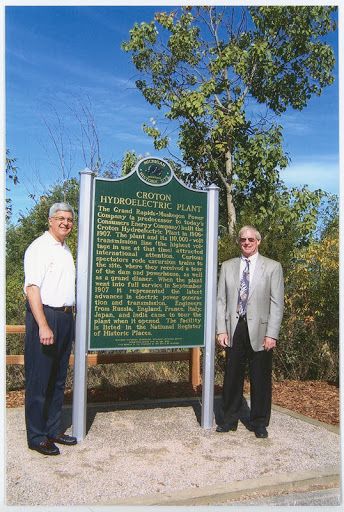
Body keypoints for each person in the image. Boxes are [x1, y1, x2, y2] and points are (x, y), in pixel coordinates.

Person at [216, 225, 284, 438]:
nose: (247, 243)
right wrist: (221, 329)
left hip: (262, 330)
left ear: (258, 242)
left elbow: (277, 304)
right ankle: (228, 420)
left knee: (260, 377)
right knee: (232, 375)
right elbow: (221, 301)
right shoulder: (227, 266)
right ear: (239, 242)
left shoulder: (272, 267)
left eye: (251, 239)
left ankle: (259, 422)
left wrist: (272, 333)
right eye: (243, 239)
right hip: (234, 327)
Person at [23, 203, 77, 455]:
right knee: (39, 379)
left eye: (69, 219)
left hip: (65, 318)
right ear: (50, 221)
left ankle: (54, 429)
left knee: (57, 379)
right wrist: (43, 325)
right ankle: (36, 436)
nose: (65, 223)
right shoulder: (39, 248)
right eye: (60, 218)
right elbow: (32, 288)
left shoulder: (65, 250)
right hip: (45, 317)